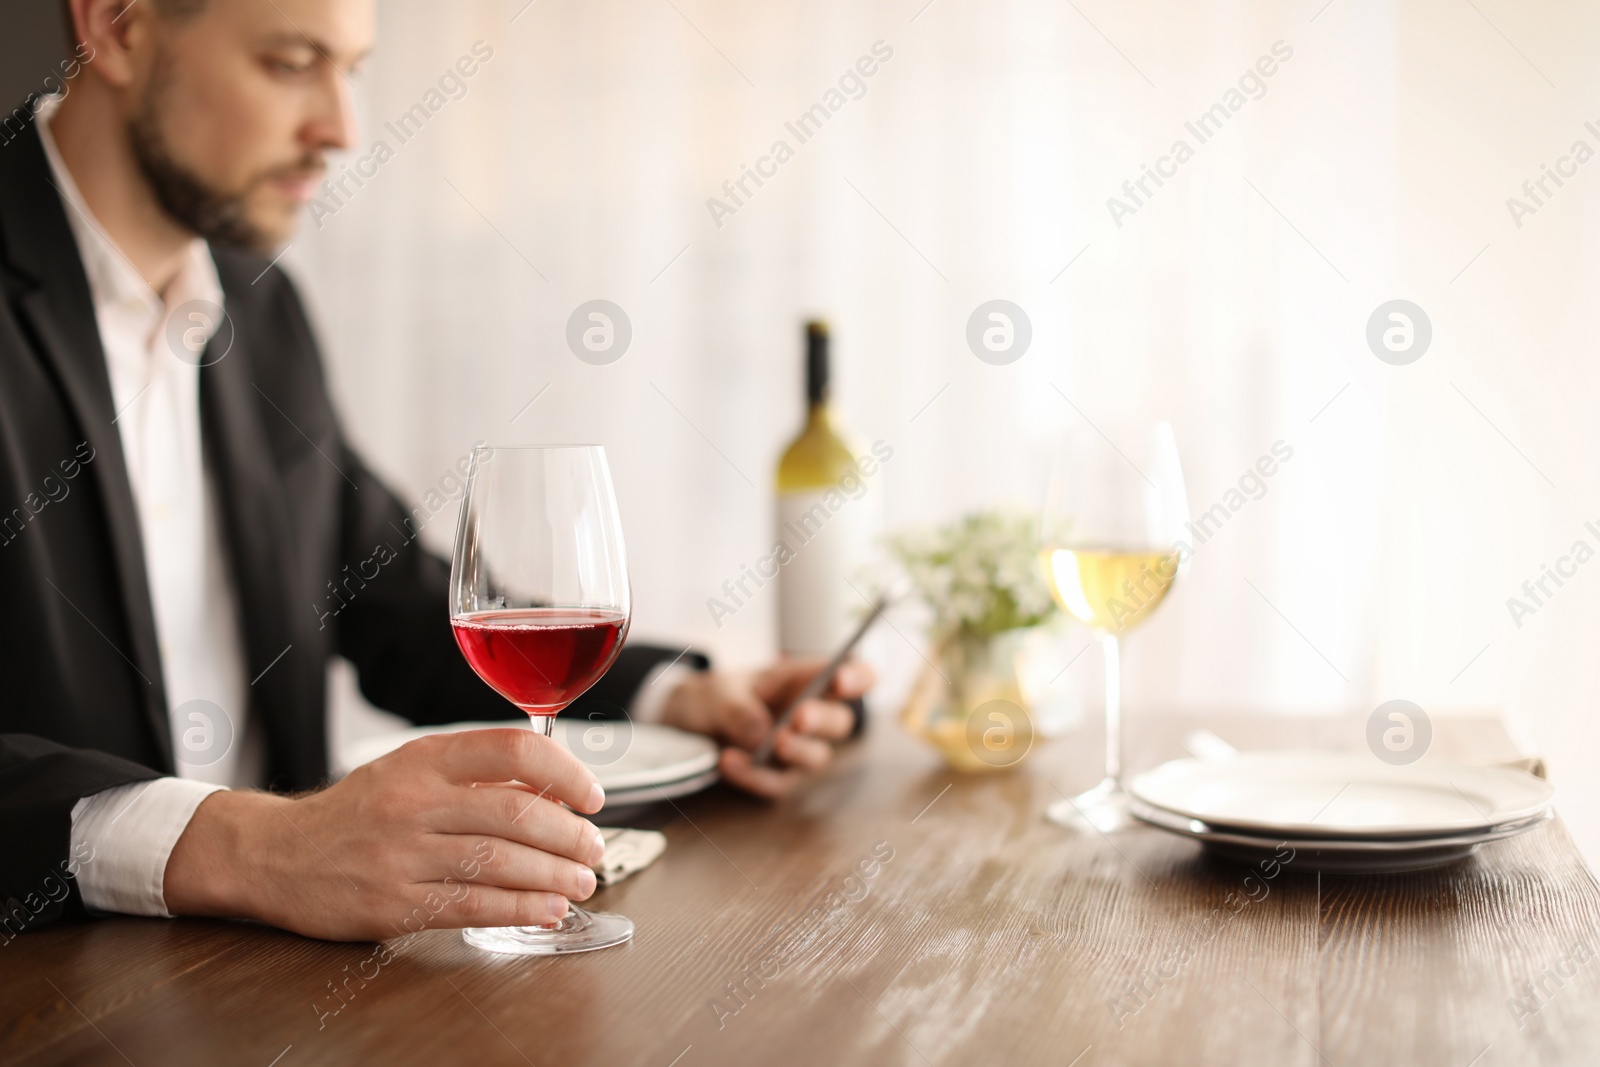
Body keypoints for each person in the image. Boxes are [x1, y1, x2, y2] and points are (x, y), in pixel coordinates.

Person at [0, 0, 872, 943]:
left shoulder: (258, 308)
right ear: (117, 27)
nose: (340, 129)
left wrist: (680, 698)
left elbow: (391, 598)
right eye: (292, 63)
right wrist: (255, 845)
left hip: (262, 987)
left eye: (352, 70)